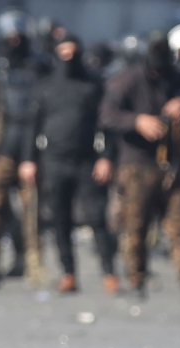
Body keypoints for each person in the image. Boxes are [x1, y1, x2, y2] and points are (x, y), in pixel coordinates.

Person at [99, 34, 180, 301]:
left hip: (173, 163)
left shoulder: (178, 78)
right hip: (137, 164)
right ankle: (136, 280)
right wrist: (137, 121)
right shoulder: (128, 80)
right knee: (135, 226)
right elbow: (106, 114)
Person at [21, 32, 118, 295]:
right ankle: (68, 274)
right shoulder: (46, 86)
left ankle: (109, 273)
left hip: (87, 159)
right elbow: (34, 126)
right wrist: (29, 160)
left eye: (72, 52)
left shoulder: (92, 85)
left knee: (97, 218)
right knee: (60, 220)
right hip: (54, 159)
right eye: (63, 52)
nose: (68, 57)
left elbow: (106, 125)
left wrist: (106, 158)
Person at [0, 9, 42, 279]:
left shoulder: (38, 66)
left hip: (31, 146)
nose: (14, 41)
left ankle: (32, 263)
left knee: (32, 210)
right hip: (1, 147)